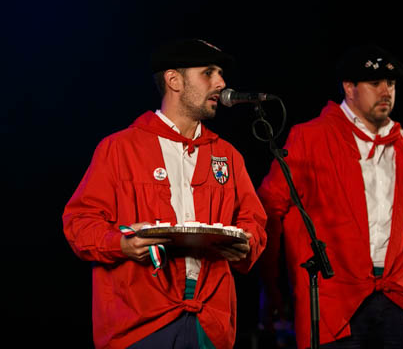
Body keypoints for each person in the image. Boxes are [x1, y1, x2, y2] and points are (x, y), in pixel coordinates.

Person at [62, 38, 267, 349]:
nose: (221, 83)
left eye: (221, 74)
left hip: (209, 322)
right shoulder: (119, 148)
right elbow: (79, 222)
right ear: (174, 80)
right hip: (139, 323)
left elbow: (254, 221)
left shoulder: (228, 155)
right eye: (208, 72)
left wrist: (247, 243)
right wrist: (121, 244)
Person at [257, 44, 403, 348]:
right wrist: (270, 285)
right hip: (336, 299)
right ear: (349, 88)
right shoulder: (310, 137)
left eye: (391, 83)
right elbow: (268, 208)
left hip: (395, 294)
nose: (386, 91)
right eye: (374, 83)